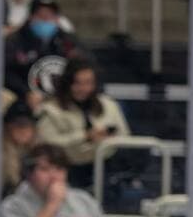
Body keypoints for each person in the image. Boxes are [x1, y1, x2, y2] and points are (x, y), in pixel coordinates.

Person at [1, 143, 125, 217]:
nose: (54, 176)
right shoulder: (14, 206)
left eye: (59, 169)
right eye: (45, 169)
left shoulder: (83, 199)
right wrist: (52, 204)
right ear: (29, 174)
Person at [36, 58, 129, 189]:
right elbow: (46, 142)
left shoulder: (109, 105)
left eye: (88, 83)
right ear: (67, 83)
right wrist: (84, 136)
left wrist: (109, 139)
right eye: (77, 83)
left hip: (105, 169)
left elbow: (125, 135)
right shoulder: (50, 109)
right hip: (68, 171)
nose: (83, 88)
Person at [3, 0, 83, 110]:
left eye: (50, 16)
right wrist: (25, 92)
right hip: (23, 101)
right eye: (41, 16)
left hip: (63, 100)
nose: (45, 20)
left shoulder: (68, 41)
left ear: (57, 19)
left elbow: (84, 68)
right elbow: (6, 72)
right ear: (30, 17)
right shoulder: (15, 41)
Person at [1, 99, 38, 194]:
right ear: (7, 127)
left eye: (27, 125)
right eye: (18, 125)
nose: (23, 130)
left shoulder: (39, 152)